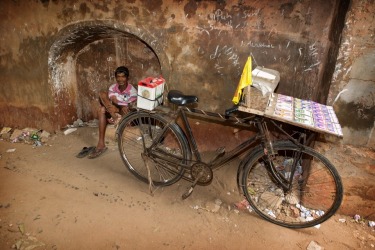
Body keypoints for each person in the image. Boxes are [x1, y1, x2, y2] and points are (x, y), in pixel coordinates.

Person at [88, 66, 137, 159]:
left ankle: (115, 117)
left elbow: (130, 107)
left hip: (125, 114)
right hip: (113, 111)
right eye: (118, 77)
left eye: (123, 77)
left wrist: (119, 108)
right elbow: (112, 100)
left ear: (127, 78)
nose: (120, 79)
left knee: (125, 108)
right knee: (102, 101)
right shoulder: (113, 87)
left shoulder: (132, 91)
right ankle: (101, 144)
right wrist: (113, 109)